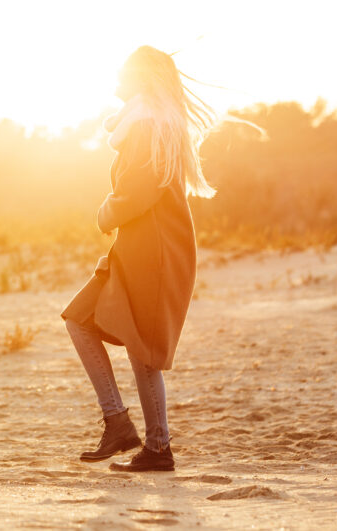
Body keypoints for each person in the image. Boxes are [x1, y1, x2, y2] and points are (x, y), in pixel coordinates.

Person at [61, 46, 218, 472]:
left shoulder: (150, 124)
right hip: (137, 249)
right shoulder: (145, 121)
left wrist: (104, 212)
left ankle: (158, 448)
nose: (116, 75)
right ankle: (117, 422)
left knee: (142, 349)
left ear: (142, 78)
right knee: (79, 318)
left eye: (124, 70)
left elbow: (138, 191)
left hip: (155, 253)